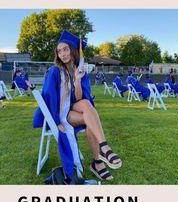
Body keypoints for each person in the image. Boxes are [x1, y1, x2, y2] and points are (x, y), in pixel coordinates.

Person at [33, 30, 122, 181]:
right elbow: (50, 97)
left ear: (73, 50)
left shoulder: (80, 71)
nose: (62, 54)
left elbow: (78, 98)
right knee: (90, 117)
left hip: (72, 108)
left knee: (87, 106)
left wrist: (78, 80)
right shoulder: (54, 72)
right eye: (59, 51)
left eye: (65, 49)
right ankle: (101, 155)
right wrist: (56, 121)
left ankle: (99, 159)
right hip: (60, 113)